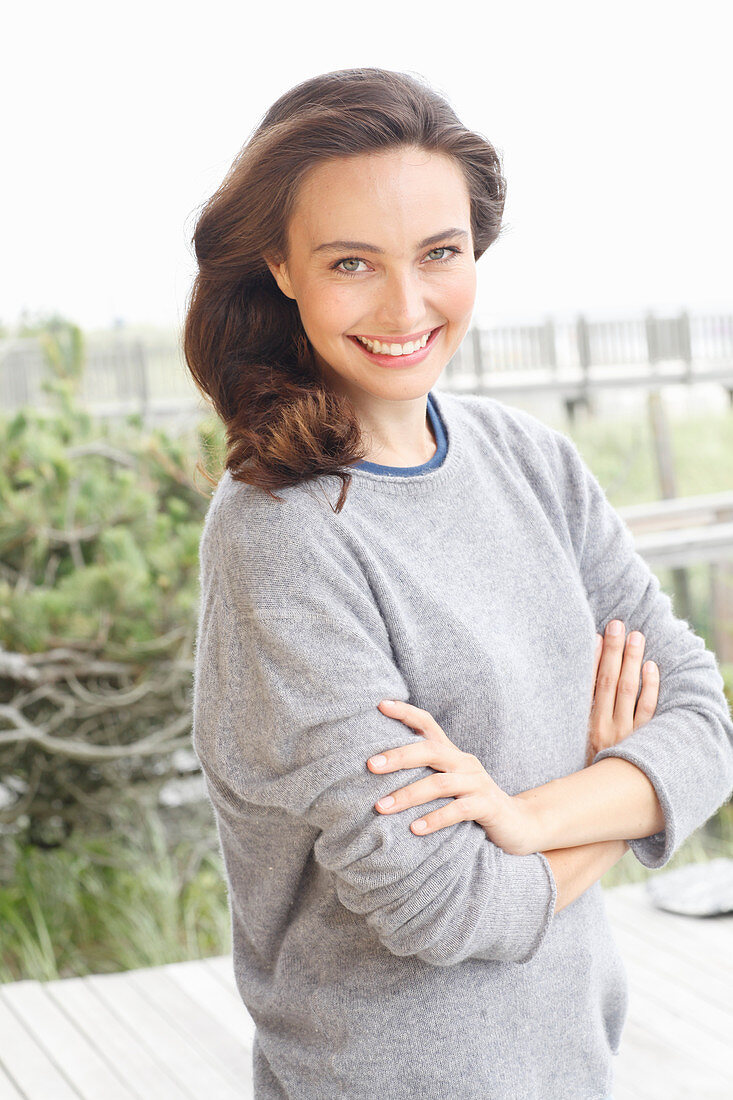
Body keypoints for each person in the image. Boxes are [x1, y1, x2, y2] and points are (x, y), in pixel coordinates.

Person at [183, 67, 733, 1100]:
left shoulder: (530, 459)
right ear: (280, 266)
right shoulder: (281, 536)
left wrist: (528, 817)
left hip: (573, 1065)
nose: (405, 305)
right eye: (352, 261)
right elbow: (441, 906)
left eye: (439, 253)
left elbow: (704, 721)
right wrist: (614, 791)